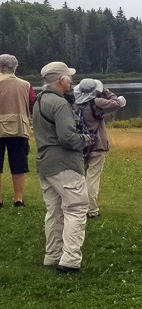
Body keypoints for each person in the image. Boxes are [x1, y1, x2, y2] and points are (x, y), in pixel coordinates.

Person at [33, 61, 92, 273]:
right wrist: (85, 140)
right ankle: (70, 260)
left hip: (45, 163)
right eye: (69, 77)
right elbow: (67, 137)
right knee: (76, 209)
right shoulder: (60, 104)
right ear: (62, 80)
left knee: (54, 211)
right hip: (64, 164)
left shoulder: (40, 101)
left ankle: (53, 255)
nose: (72, 80)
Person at [73, 79, 126, 219]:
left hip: (82, 145)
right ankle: (92, 210)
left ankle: (80, 207)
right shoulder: (97, 102)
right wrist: (106, 92)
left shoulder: (76, 104)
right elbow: (117, 103)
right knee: (92, 178)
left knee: (82, 177)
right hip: (98, 145)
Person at [0, 54, 36, 208]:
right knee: (19, 166)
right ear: (15, 67)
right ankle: (18, 199)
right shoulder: (26, 85)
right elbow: (33, 104)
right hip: (19, 129)